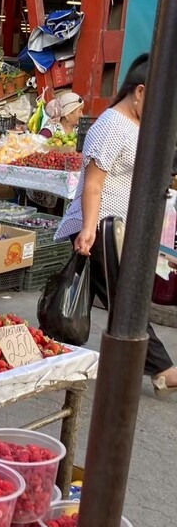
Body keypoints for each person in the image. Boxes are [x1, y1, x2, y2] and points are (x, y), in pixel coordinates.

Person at [54, 54, 177, 396]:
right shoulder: (111, 125)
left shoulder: (137, 126)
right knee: (124, 301)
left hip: (115, 228)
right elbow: (93, 184)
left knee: (85, 295)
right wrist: (89, 229)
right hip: (99, 227)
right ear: (140, 91)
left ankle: (50, 348)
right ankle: (163, 370)